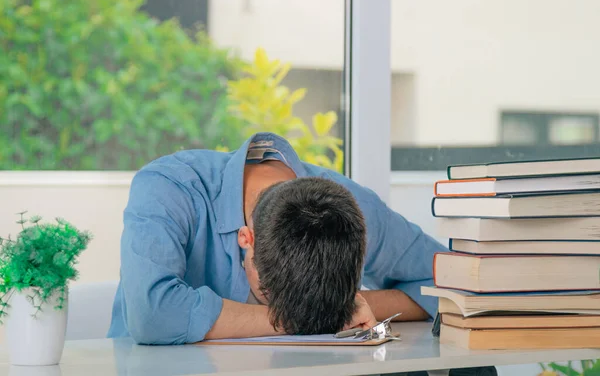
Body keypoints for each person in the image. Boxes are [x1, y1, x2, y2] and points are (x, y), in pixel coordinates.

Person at [107, 132, 448, 344]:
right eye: (270, 295)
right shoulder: (168, 188)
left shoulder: (346, 209)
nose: (274, 308)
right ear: (247, 239)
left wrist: (346, 305)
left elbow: (448, 281)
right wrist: (315, 319)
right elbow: (152, 315)